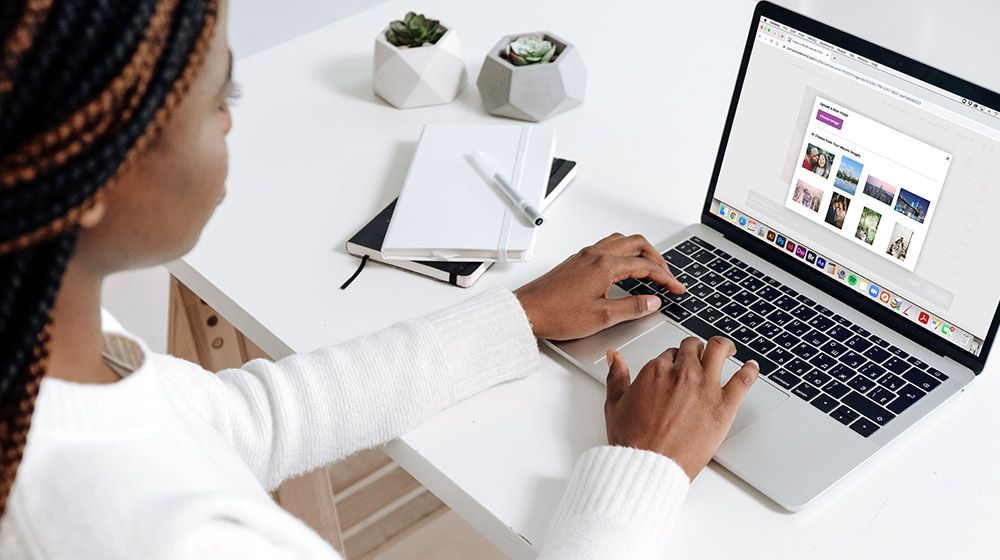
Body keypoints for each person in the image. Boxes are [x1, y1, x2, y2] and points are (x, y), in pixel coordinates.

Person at [0, 1, 760, 558]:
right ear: (82, 174)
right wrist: (644, 471)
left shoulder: (40, 344)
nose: (232, 122)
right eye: (218, 100)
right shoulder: (168, 539)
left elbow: (238, 420)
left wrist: (519, 315)